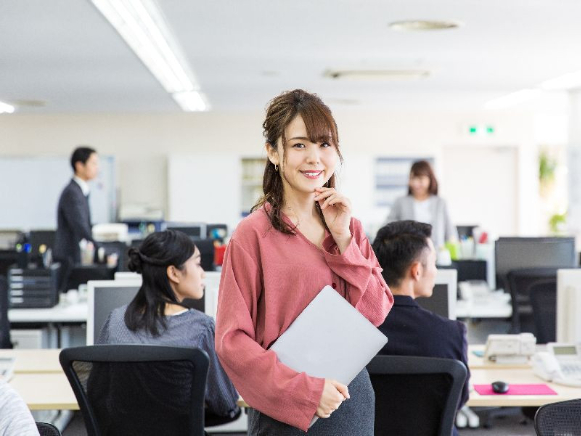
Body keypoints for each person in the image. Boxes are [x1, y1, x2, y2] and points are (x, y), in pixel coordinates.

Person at [215, 89, 394, 434]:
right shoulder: (252, 235)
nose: (315, 158)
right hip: (285, 404)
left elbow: (376, 312)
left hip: (348, 397)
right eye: (299, 145)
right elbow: (231, 342)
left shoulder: (348, 226)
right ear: (273, 152)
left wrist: (343, 240)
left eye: (324, 145)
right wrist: (307, 391)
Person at [97, 230, 239, 422]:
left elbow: (97, 391)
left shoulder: (115, 321)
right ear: (173, 273)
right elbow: (225, 402)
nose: (203, 273)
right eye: (197, 264)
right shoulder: (201, 329)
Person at [372, 220, 470, 434]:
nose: (435, 270)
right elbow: (457, 401)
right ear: (416, 271)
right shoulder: (451, 333)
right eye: (433, 263)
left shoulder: (354, 330)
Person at [53, 146, 100, 291]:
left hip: (73, 257)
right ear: (79, 166)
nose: (97, 168)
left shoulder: (80, 190)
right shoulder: (72, 193)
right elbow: (81, 227)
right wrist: (102, 250)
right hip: (68, 259)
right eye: (93, 163)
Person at [386, 160, 457, 250]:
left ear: (430, 179)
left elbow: (450, 232)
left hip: (436, 254)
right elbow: (387, 227)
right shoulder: (400, 202)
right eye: (412, 178)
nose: (415, 183)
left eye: (420, 179)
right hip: (407, 254)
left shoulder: (440, 203)